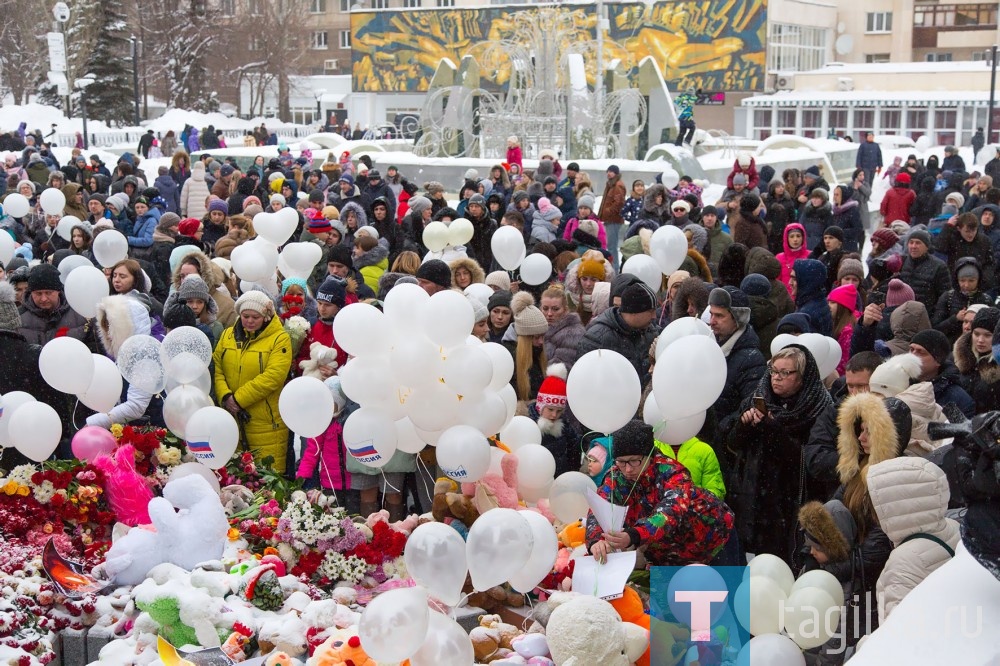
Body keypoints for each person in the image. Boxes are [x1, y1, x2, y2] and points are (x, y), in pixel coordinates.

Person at [727, 345, 834, 564]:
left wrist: (775, 431)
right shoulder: (758, 397)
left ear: (802, 377)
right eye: (774, 371)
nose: (776, 378)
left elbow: (808, 460)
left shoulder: (818, 407)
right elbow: (731, 445)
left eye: (785, 373)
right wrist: (743, 426)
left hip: (793, 503)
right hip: (755, 500)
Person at [586, 420, 734, 566]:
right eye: (621, 462)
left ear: (649, 456)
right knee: (667, 590)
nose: (628, 469)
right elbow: (599, 506)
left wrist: (634, 535)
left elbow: (670, 513)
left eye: (634, 461)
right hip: (667, 554)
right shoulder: (616, 476)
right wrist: (595, 540)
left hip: (713, 541)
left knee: (725, 588)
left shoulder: (673, 473)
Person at [867, 457, 960, 623]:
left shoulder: (903, 561)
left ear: (894, 504)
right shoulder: (954, 528)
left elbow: (899, 635)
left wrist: (865, 646)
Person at [213, 291, 293, 472]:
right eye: (245, 316)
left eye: (255, 317)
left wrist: (238, 400)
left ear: (265, 317)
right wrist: (225, 396)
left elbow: (273, 376)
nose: (249, 321)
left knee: (266, 481)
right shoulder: (227, 336)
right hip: (232, 419)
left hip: (265, 422)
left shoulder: (279, 339)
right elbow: (217, 367)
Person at [708, 286, 767, 442]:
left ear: (738, 319)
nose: (712, 321)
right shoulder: (708, 347)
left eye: (719, 316)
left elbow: (749, 406)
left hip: (723, 444)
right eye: (711, 314)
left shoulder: (751, 360)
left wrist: (719, 430)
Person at [577, 283, 661, 382]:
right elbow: (584, 378)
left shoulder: (650, 331)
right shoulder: (597, 338)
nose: (654, 316)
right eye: (651, 311)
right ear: (634, 311)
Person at [17, 263, 91, 345]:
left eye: (48, 293)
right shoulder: (18, 318)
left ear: (58, 291)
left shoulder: (79, 313)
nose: (43, 299)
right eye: (38, 294)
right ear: (31, 292)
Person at [909, 328, 975, 417]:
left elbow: (960, 429)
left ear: (937, 361)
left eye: (921, 352)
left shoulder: (957, 399)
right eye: (911, 349)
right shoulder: (897, 383)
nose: (913, 356)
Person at [527, 364, 580, 477]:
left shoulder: (565, 428)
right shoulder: (528, 424)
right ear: (540, 406)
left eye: (559, 411)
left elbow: (574, 451)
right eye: (550, 409)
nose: (554, 415)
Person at [503, 291, 549, 405]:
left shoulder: (537, 353)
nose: (541, 342)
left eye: (543, 336)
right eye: (536, 337)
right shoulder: (508, 357)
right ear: (525, 338)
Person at [540, 283, 585, 369]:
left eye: (555, 309)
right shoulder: (536, 329)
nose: (549, 314)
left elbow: (561, 368)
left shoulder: (574, 333)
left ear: (565, 309)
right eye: (545, 308)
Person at [599, 165, 626, 269]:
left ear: (616, 173)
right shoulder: (611, 184)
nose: (609, 173)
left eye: (611, 171)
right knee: (611, 246)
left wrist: (608, 211)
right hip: (610, 219)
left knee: (612, 247)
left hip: (614, 220)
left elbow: (619, 203)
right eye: (608, 171)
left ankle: (614, 269)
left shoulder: (617, 185)